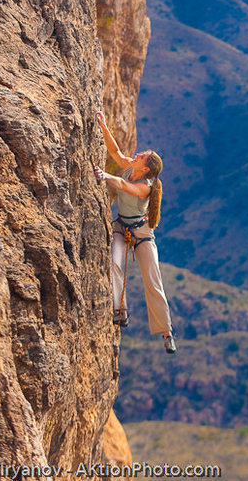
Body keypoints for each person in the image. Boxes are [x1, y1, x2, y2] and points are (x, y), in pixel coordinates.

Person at [93, 111, 176, 354]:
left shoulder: (145, 187)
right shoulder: (132, 167)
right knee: (115, 263)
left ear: (146, 166)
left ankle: (167, 331)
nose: (137, 154)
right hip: (122, 225)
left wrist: (105, 175)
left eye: (142, 156)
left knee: (153, 278)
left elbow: (123, 185)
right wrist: (103, 126)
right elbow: (116, 153)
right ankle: (121, 311)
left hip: (142, 233)